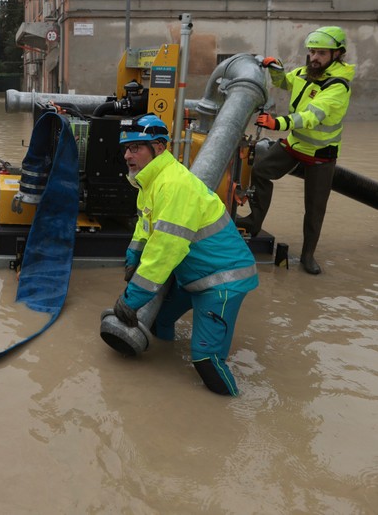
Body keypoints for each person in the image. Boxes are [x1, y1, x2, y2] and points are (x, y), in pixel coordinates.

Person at [112, 114, 259, 396]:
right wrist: (133, 255)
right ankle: (163, 381)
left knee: (206, 360)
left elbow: (166, 250)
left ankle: (232, 413)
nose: (128, 155)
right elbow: (146, 227)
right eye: (126, 149)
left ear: (159, 147)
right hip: (191, 275)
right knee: (158, 322)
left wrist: (131, 300)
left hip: (222, 281)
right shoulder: (149, 182)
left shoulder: (173, 185)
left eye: (136, 148)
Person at [236, 26, 355, 275]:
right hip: (295, 145)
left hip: (321, 155)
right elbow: (284, 83)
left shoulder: (338, 87)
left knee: (314, 208)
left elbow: (311, 117)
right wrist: (276, 69)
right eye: (312, 52)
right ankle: (253, 223)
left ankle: (308, 256)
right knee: (259, 170)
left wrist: (276, 123)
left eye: (321, 53)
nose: (314, 58)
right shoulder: (304, 73)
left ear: (337, 54)